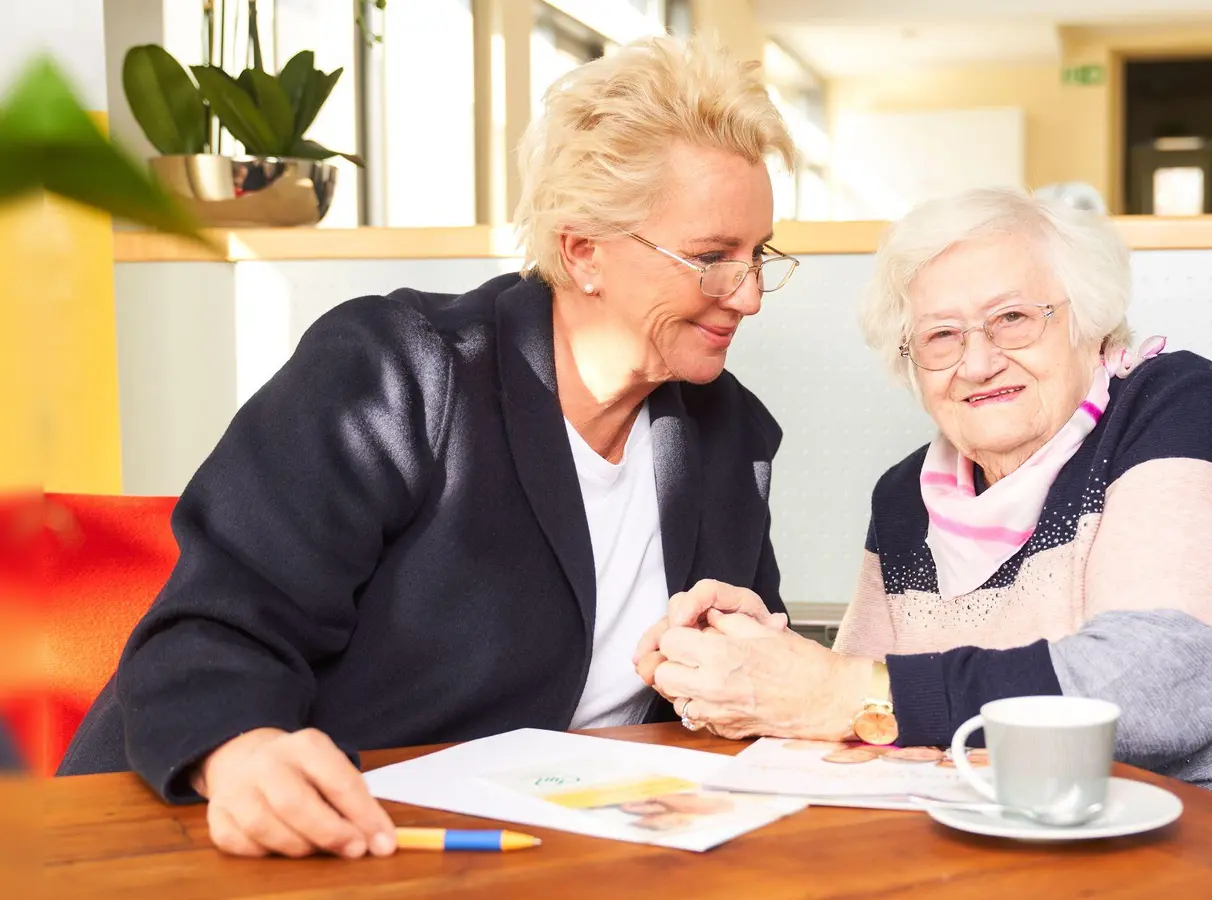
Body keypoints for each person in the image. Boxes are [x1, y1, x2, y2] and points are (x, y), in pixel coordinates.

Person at [59, 35, 798, 860]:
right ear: (581, 249)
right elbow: (213, 627)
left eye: (758, 254)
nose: (751, 296)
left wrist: (735, 671)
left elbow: (737, 691)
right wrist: (242, 750)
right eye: (711, 259)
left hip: (563, 854)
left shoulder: (729, 433)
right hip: (313, 844)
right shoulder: (395, 371)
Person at [636, 188, 1212, 876]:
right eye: (939, 337)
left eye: (1014, 319)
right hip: (1103, 861)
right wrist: (748, 666)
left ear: (1088, 320)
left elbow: (1161, 684)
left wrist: (841, 694)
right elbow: (870, 718)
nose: (978, 361)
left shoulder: (1173, 405)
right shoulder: (905, 496)